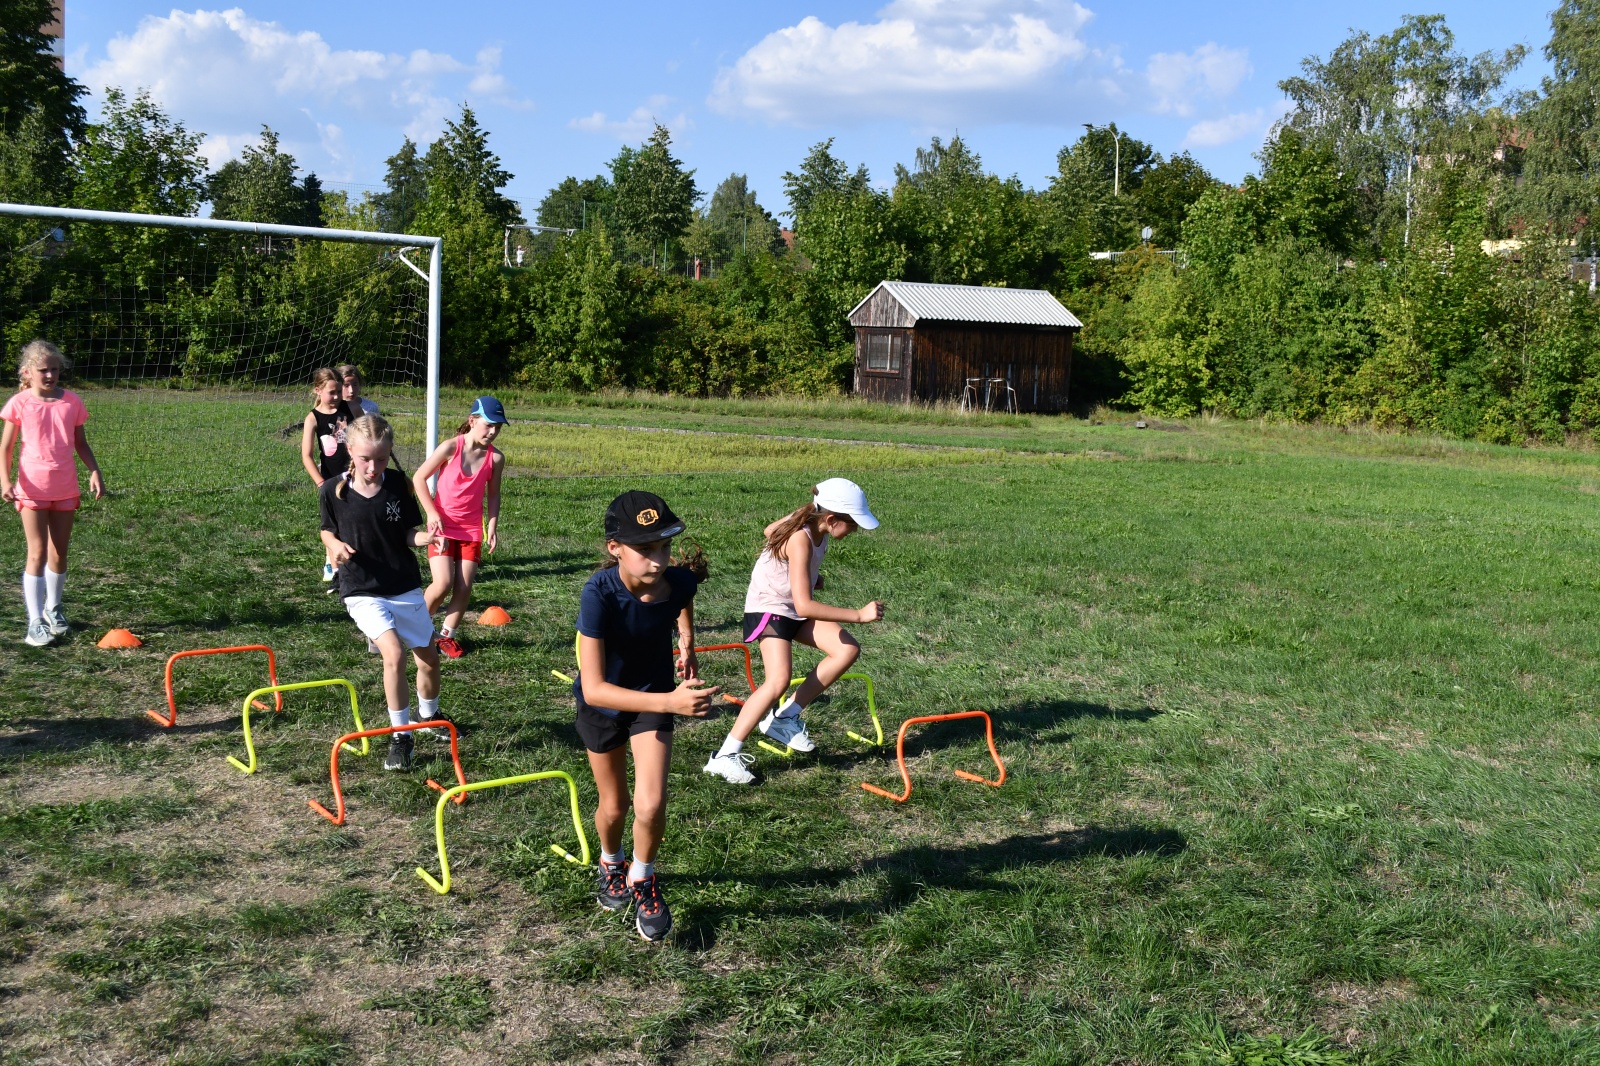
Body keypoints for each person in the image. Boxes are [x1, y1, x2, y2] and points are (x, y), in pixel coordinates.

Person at [575, 491, 715, 942]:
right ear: (615, 548)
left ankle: (642, 876)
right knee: (614, 806)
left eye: (665, 546)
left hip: (653, 699)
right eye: (645, 548)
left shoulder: (677, 582)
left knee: (651, 804)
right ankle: (611, 861)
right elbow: (594, 687)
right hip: (604, 706)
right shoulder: (599, 594)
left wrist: (687, 641)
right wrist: (672, 703)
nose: (658, 560)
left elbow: (685, 595)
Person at [702, 478, 883, 785]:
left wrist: (807, 574)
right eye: (852, 524)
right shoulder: (801, 537)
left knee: (847, 649)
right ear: (831, 519)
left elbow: (769, 531)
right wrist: (859, 615)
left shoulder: (815, 524)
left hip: (790, 607)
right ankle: (724, 757)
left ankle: (784, 718)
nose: (854, 530)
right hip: (770, 609)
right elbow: (805, 606)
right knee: (777, 680)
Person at [319, 414, 446, 771]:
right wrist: (334, 545)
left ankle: (428, 715)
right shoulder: (332, 491)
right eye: (365, 459)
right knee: (394, 653)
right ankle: (401, 736)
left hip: (403, 586)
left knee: (429, 659)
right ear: (349, 450)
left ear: (389, 453)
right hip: (361, 589)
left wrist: (427, 538)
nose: (373, 467)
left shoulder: (397, 486)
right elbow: (326, 530)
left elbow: (406, 533)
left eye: (380, 458)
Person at [0, 341, 106, 647]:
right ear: (27, 372)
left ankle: (53, 610)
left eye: (55, 370)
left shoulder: (72, 402)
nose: (50, 375)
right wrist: (5, 482)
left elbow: (80, 443)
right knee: (37, 553)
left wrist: (95, 470)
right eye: (43, 370)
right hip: (31, 489)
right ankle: (34, 623)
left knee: (59, 552)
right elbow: (6, 448)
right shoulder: (19, 403)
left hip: (65, 488)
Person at [412, 396, 507, 658]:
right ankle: (415, 627)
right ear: (472, 421)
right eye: (488, 425)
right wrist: (432, 512)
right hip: (442, 527)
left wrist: (492, 525)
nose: (493, 432)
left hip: (471, 530)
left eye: (498, 427)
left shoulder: (496, 458)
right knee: (442, 583)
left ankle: (446, 636)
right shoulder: (450, 447)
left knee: (464, 587)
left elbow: (494, 494)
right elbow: (419, 478)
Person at [301, 367, 357, 583]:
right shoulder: (313, 418)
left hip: (356, 476)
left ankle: (355, 565)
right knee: (333, 526)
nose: (336, 397)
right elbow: (306, 456)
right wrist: (321, 483)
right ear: (318, 390)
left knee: (355, 520)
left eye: (338, 392)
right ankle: (336, 572)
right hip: (331, 480)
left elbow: (367, 434)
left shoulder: (352, 408)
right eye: (331, 392)